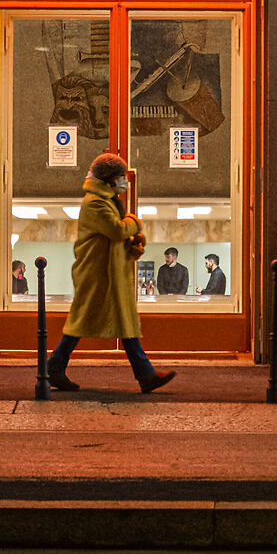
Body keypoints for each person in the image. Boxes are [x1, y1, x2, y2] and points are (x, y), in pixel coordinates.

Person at [45, 151, 175, 394]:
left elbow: (115, 236)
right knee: (82, 321)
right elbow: (115, 230)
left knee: (120, 323)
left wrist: (133, 242)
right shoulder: (95, 202)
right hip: (97, 274)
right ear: (109, 180)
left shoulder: (108, 200)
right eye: (121, 177)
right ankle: (54, 366)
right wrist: (135, 222)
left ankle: (145, 374)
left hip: (109, 273)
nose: (125, 182)